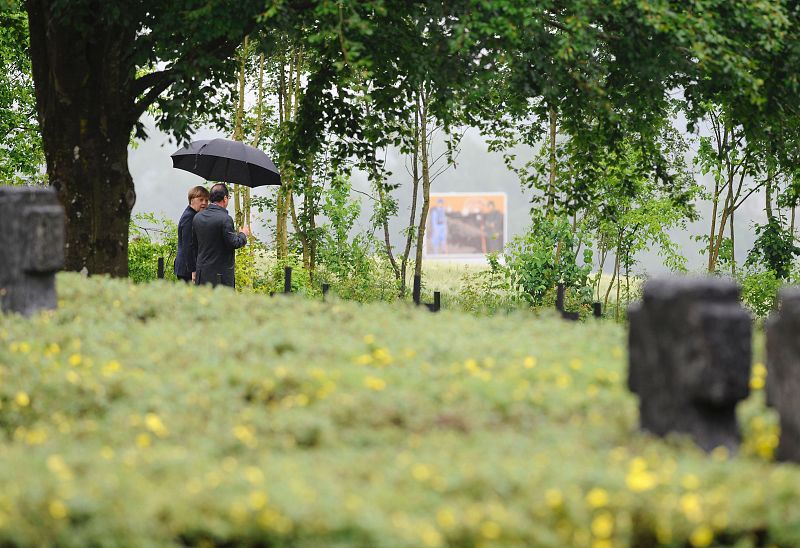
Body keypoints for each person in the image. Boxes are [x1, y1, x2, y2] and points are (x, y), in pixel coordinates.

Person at [192, 183, 251, 287]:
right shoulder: (225, 219)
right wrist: (243, 234)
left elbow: (194, 246)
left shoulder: (197, 217)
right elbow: (233, 243)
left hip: (202, 274)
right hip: (220, 277)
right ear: (225, 198)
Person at [174, 186, 210, 283]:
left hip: (187, 269)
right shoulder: (189, 218)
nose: (204, 203)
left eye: (206, 200)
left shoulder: (193, 215)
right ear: (192, 200)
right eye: (201, 199)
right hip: (187, 270)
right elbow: (188, 246)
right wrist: (193, 270)